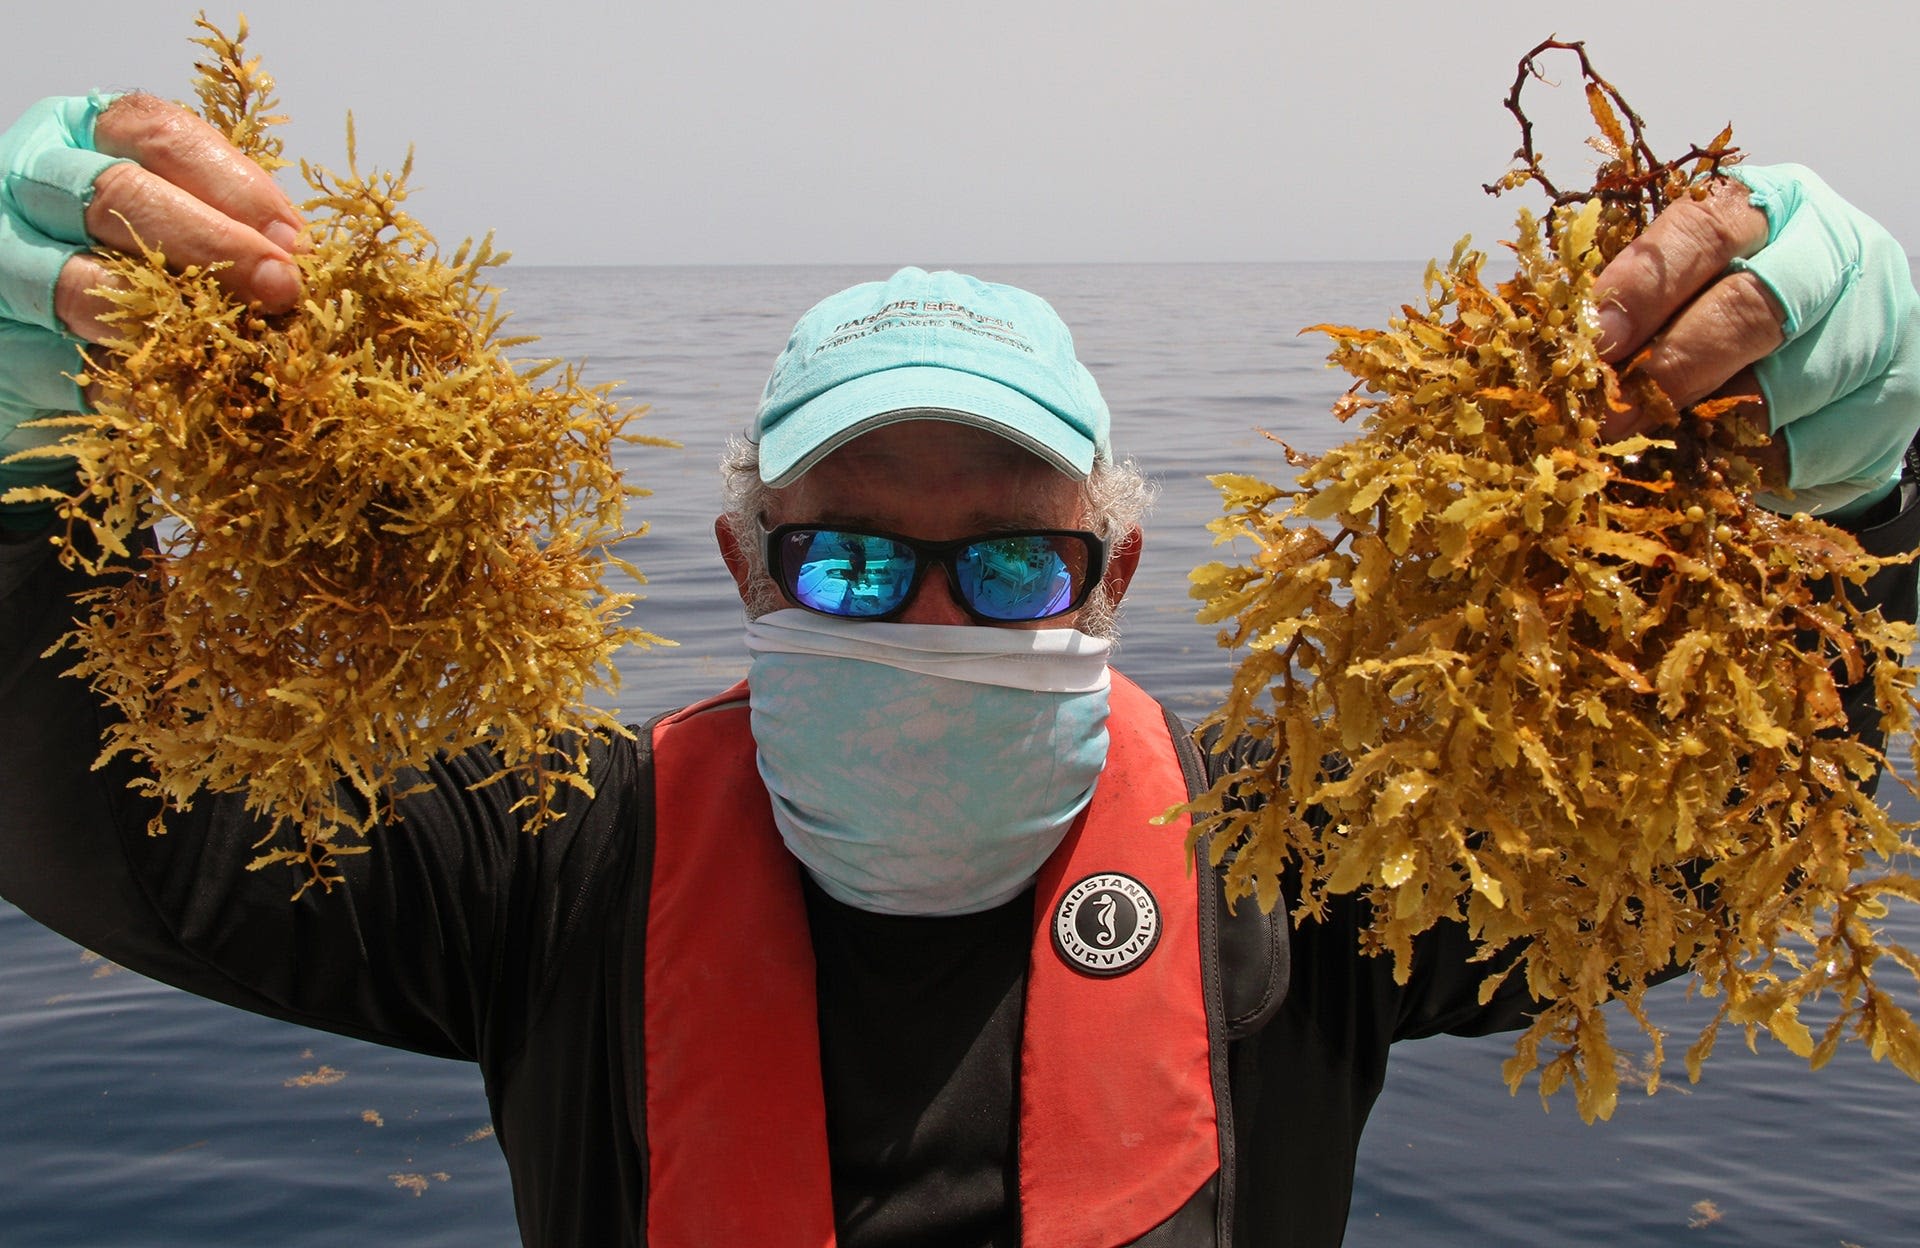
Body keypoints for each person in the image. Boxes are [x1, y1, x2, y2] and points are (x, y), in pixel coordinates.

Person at [2, 91, 1918, 1248]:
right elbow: (105, 824)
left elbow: (1713, 825)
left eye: (1009, 564)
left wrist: (1856, 506)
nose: (925, 622)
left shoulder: (1317, 870)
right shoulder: (543, 869)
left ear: (1119, 570)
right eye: (845, 556)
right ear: (743, 565)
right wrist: (26, 469)